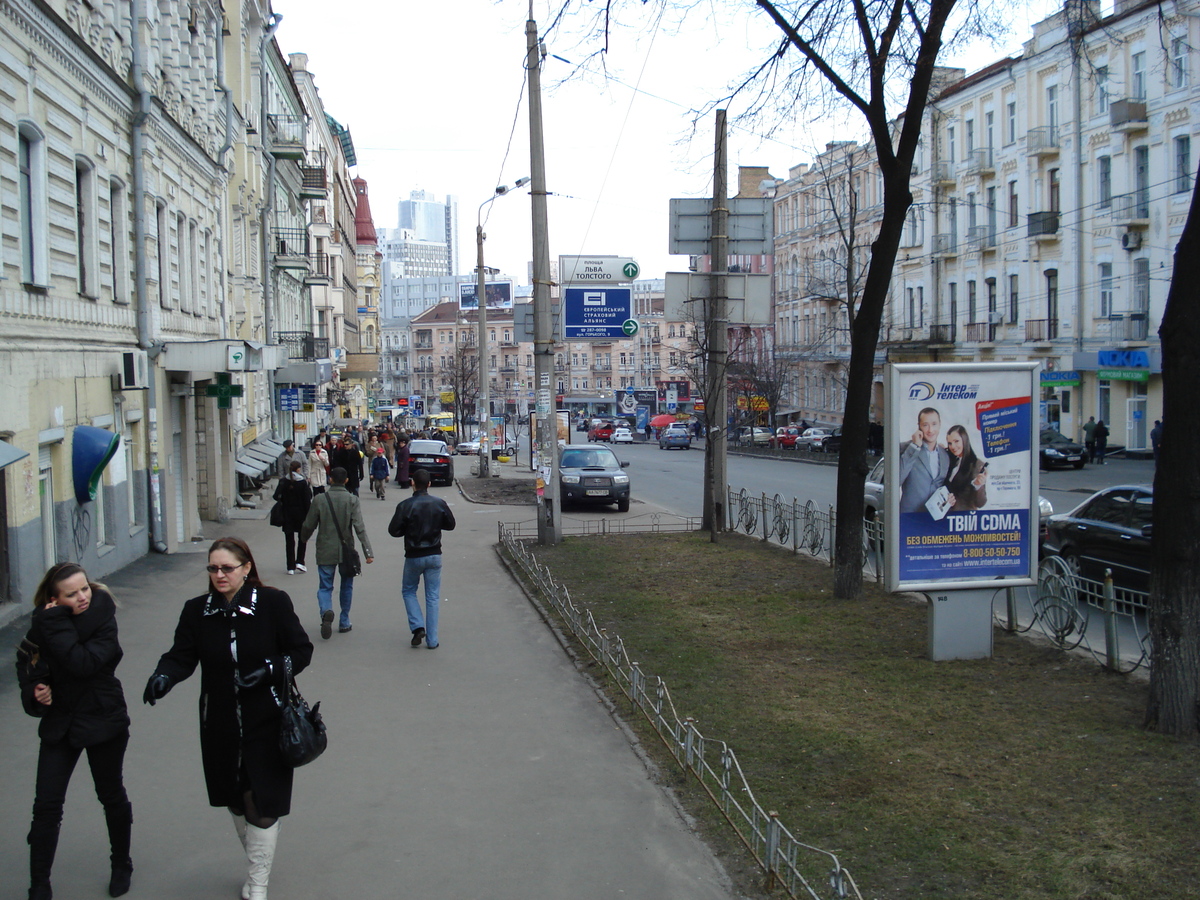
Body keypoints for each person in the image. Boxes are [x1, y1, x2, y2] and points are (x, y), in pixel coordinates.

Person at [142, 538, 312, 900]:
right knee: (235, 797)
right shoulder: (196, 611)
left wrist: (267, 671)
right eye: (213, 568)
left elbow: (301, 650)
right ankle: (256, 864)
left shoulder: (272, 604)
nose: (219, 575)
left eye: (227, 568)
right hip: (219, 721)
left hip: (267, 718)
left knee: (261, 801)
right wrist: (164, 677)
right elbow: (181, 655)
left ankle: (258, 883)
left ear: (246, 567)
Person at [17, 563, 133, 900]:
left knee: (110, 795)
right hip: (61, 722)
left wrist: (52, 623)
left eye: (85, 588)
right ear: (54, 599)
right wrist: (35, 691)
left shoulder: (101, 619)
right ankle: (39, 884)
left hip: (103, 718)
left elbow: (82, 663)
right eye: (72, 593)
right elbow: (28, 663)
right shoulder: (46, 623)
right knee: (46, 806)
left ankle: (121, 863)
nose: (83, 596)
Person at [299, 467, 374, 638]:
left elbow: (309, 524)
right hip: (346, 551)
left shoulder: (319, 499)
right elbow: (359, 527)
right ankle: (344, 620)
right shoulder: (352, 500)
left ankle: (326, 610)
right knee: (346, 585)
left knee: (325, 586)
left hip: (325, 549)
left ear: (330, 479)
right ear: (346, 481)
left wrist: (303, 538)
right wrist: (368, 552)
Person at [388, 468, 457, 649]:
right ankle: (432, 640)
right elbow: (451, 525)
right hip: (434, 554)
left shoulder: (405, 505)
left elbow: (393, 530)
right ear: (429, 484)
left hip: (413, 555)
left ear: (412, 483)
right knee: (432, 596)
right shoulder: (439, 503)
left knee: (409, 591)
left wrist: (408, 530)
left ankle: (418, 626)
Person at [898, 406, 951, 514]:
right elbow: (896, 480)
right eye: (925, 425)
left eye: (934, 424)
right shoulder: (906, 448)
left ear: (940, 424)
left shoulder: (945, 455)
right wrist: (915, 446)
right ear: (919, 427)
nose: (930, 430)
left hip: (934, 518)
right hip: (910, 517)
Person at [274, 460, 312, 574]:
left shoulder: (283, 481)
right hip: (301, 515)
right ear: (298, 469)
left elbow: (276, 496)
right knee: (302, 539)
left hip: (287, 514)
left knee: (289, 541)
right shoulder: (302, 483)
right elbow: (307, 500)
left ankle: (290, 567)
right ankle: (300, 562)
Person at [943, 424, 988, 511]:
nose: (953, 446)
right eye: (950, 443)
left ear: (964, 440)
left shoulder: (977, 465)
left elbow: (980, 503)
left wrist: (978, 485)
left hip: (964, 518)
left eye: (956, 441)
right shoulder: (950, 460)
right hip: (947, 517)